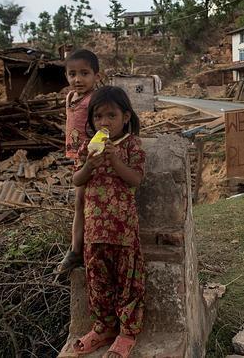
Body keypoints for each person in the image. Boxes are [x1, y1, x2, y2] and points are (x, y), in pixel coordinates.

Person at [72, 86, 145, 357]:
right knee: (98, 281)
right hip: (95, 230)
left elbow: (135, 179)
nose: (104, 122)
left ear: (125, 117)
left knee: (128, 283)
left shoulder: (131, 145)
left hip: (123, 230)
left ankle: (127, 332)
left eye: (111, 116)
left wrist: (114, 158)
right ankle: (103, 328)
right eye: (98, 117)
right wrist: (89, 165)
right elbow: (77, 180)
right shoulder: (86, 148)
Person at [57, 49, 101, 275]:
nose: (77, 79)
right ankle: (77, 250)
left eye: (84, 73)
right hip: (78, 160)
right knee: (80, 203)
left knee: (87, 203)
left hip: (95, 159)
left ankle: (81, 251)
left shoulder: (96, 99)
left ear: (96, 75)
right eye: (72, 74)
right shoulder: (70, 98)